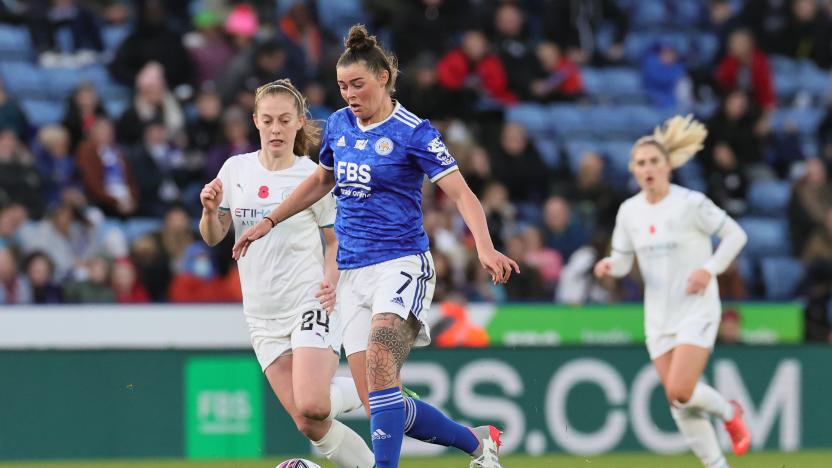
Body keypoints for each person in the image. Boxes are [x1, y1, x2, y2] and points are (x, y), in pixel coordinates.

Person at [231, 25, 518, 468]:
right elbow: (322, 180)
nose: (349, 94)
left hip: (401, 263)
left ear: (383, 78)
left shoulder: (415, 132)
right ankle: (478, 443)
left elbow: (462, 193)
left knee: (382, 359)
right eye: (343, 86)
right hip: (352, 273)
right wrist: (269, 220)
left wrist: (484, 247)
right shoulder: (340, 126)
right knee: (382, 399)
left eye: (357, 85)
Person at [199, 79, 373, 467]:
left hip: (309, 300)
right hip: (261, 314)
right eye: (267, 120)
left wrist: (331, 280)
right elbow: (214, 238)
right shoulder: (235, 169)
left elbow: (335, 241)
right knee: (309, 422)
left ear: (298, 123)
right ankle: (373, 399)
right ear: (255, 122)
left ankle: (374, 389)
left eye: (284, 120)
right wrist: (210, 212)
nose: (275, 129)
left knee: (314, 401)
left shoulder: (314, 177)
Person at [594, 115, 751, 468]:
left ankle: (729, 411)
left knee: (680, 389)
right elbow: (621, 262)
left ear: (668, 166)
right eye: (641, 163)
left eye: (654, 162)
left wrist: (708, 270)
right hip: (658, 316)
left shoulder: (690, 203)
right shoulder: (629, 211)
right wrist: (608, 266)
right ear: (633, 170)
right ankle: (717, 464)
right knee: (677, 400)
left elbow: (736, 235)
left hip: (696, 308)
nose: (647, 168)